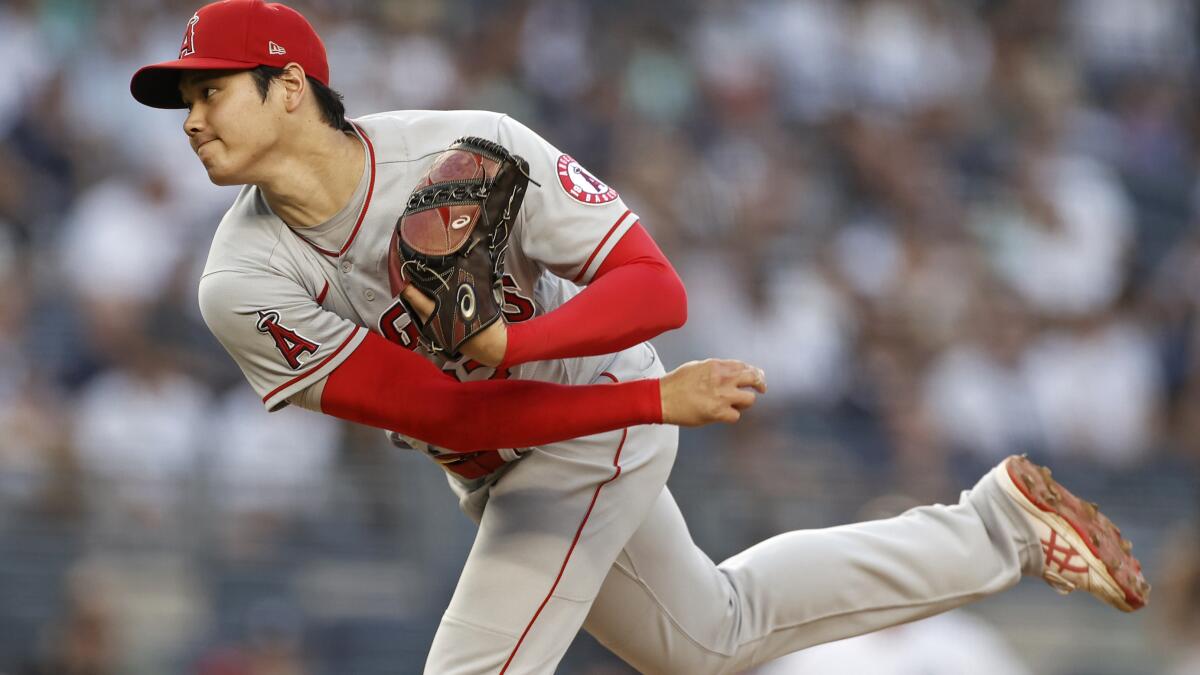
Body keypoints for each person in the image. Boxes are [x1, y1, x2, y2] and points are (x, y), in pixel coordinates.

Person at [129, 2, 1150, 673]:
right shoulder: (240, 280)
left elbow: (654, 289)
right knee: (709, 636)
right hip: (512, 444)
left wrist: (553, 363)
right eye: (185, 98)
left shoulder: (468, 147)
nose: (190, 118)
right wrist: (638, 397)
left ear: (290, 88)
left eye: (210, 90)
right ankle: (1000, 526)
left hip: (590, 423)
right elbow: (441, 406)